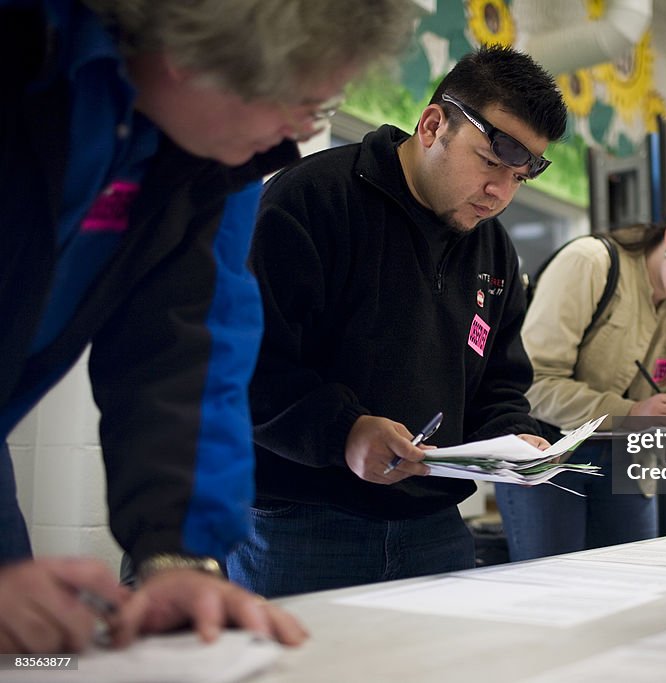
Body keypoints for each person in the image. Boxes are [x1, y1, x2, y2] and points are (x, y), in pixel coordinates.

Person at [1, 0, 415, 653]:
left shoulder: (215, 160)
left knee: (32, 651)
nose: (295, 134)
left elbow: (191, 348)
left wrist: (180, 553)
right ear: (190, 57)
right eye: (301, 103)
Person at [226, 46, 568, 598]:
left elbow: (498, 382)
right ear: (434, 125)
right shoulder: (310, 201)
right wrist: (345, 432)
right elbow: (245, 364)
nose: (500, 193)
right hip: (300, 525)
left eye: (519, 178)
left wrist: (514, 436)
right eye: (490, 162)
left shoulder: (493, 252)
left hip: (433, 529)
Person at [495, 190, 666, 560]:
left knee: (632, 592)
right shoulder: (592, 263)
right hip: (548, 458)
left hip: (631, 466)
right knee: (554, 594)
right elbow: (532, 384)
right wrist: (631, 413)